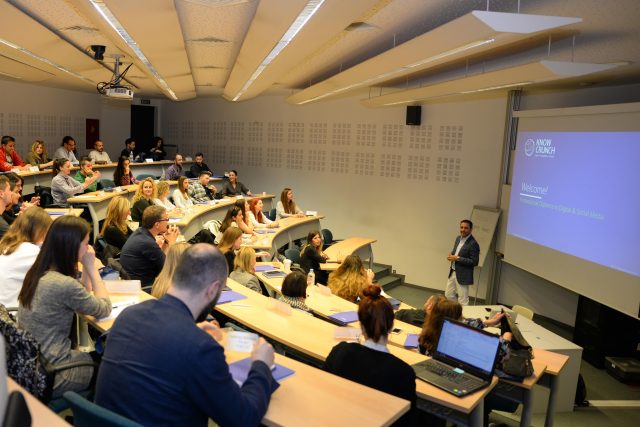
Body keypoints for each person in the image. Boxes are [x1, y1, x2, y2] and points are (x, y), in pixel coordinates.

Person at [95, 244, 277, 427]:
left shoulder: (129, 315)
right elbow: (243, 419)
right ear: (213, 289)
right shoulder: (200, 347)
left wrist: (192, 332)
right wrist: (261, 365)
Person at [17, 216, 111, 398]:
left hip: (35, 365)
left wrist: (85, 265)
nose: (89, 249)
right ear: (72, 246)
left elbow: (82, 294)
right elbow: (104, 308)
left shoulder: (38, 273)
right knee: (111, 365)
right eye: (86, 244)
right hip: (56, 373)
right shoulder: (62, 284)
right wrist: (92, 268)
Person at [324, 285, 422, 426]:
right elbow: (408, 421)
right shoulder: (403, 372)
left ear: (361, 326)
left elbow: (324, 390)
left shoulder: (340, 351)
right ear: (391, 326)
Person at [0, 207, 52, 308]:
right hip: (13, 312)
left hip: (5, 309)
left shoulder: (6, 244)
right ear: (38, 230)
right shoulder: (30, 251)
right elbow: (56, 276)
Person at [120, 205, 180, 287]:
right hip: (145, 287)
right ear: (157, 224)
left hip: (139, 281)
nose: (168, 222)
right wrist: (172, 243)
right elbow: (169, 268)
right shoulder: (147, 243)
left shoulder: (141, 232)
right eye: (166, 219)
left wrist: (166, 242)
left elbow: (161, 258)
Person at [445, 219, 480, 306]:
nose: (463, 230)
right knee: (448, 295)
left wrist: (458, 258)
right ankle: (456, 311)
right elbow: (456, 251)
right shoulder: (458, 238)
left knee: (463, 300)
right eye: (461, 227)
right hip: (453, 271)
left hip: (463, 274)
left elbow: (474, 262)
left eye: (466, 228)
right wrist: (451, 255)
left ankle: (462, 314)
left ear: (471, 229)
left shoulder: (473, 244)